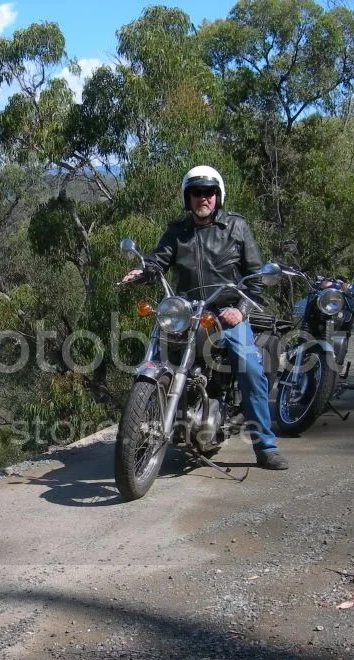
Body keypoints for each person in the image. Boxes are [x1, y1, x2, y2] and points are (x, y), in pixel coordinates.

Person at [120, 164, 288, 470]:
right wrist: (143, 271)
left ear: (218, 196)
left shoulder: (236, 227)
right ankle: (149, 427)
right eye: (196, 193)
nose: (203, 198)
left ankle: (265, 446)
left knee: (249, 367)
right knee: (158, 354)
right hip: (187, 311)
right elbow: (159, 259)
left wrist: (242, 310)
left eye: (209, 192)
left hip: (226, 314)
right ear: (188, 197)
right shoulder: (177, 230)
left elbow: (255, 277)